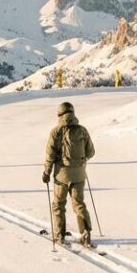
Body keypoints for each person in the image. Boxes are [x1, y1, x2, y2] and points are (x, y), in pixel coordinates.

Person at [42, 101, 96, 247]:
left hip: (62, 175)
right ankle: (86, 235)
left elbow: (50, 156)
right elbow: (91, 152)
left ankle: (59, 236)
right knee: (79, 204)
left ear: (59, 114)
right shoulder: (82, 130)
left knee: (58, 205)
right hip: (79, 174)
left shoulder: (56, 132)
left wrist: (46, 172)